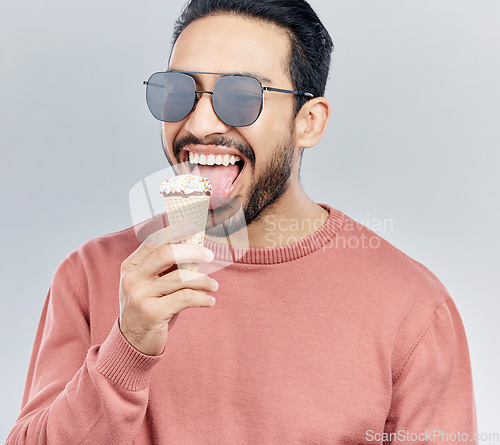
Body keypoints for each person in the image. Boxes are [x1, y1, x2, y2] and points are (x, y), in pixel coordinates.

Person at [8, 0, 478, 443]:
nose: (199, 122)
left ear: (308, 122)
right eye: (179, 93)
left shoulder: (412, 308)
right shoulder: (90, 276)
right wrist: (126, 351)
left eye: (241, 96)